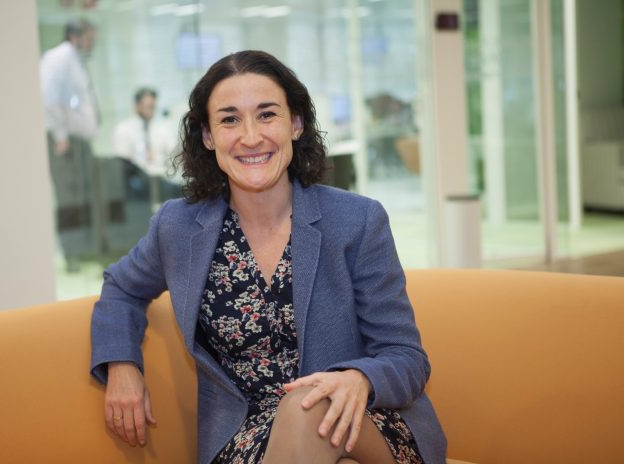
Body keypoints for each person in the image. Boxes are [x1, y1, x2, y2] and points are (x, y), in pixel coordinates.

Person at [90, 50, 446, 464]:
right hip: (245, 436)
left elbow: (407, 357)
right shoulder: (178, 227)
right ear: (208, 136)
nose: (251, 136)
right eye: (229, 120)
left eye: (266, 115)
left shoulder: (357, 220)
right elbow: (122, 288)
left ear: (295, 124)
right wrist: (122, 365)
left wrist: (359, 378)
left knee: (307, 407)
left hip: (361, 417)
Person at [40, 19, 99, 271]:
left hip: (79, 142)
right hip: (65, 143)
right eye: (90, 37)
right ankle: (72, 255)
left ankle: (82, 251)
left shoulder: (75, 60)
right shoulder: (59, 58)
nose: (93, 43)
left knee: (83, 197)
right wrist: (61, 135)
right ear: (75, 36)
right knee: (69, 199)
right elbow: (48, 97)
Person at [113, 87, 182, 203]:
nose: (151, 110)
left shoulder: (162, 128)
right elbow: (122, 162)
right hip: (137, 181)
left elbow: (174, 153)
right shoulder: (123, 129)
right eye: (147, 106)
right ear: (137, 106)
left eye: (153, 106)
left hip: (162, 178)